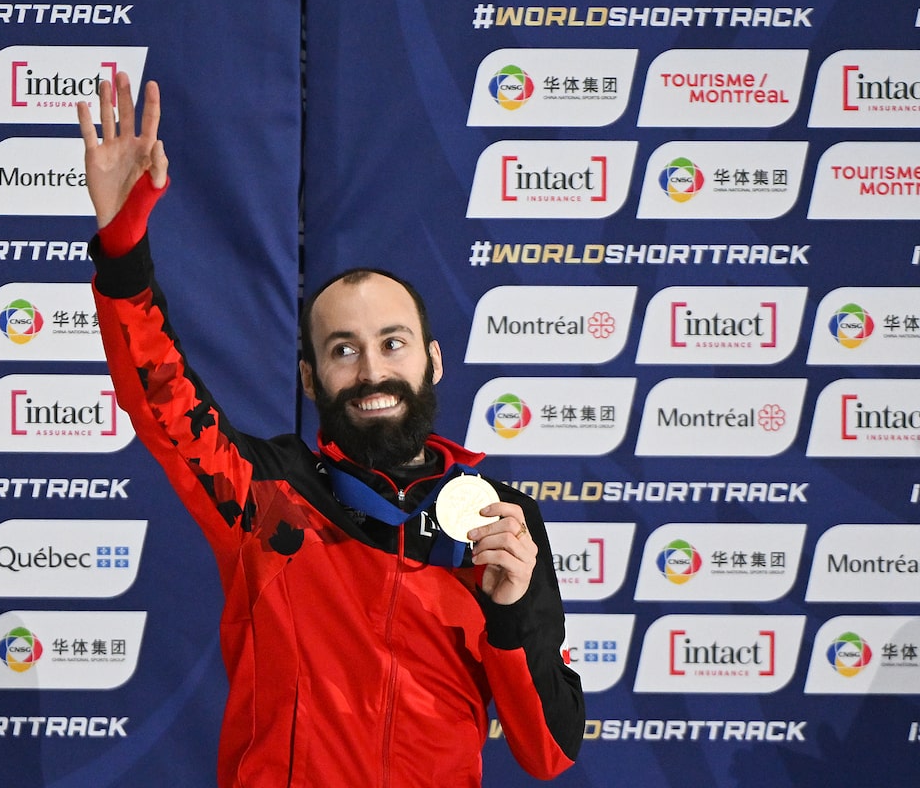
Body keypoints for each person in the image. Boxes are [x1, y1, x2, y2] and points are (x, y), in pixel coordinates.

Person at [77, 73, 585, 786]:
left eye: (393, 342)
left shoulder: (500, 522)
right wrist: (124, 240)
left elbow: (550, 752)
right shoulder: (266, 497)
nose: (371, 370)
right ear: (312, 379)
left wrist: (508, 614)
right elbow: (160, 393)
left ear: (433, 360)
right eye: (343, 350)